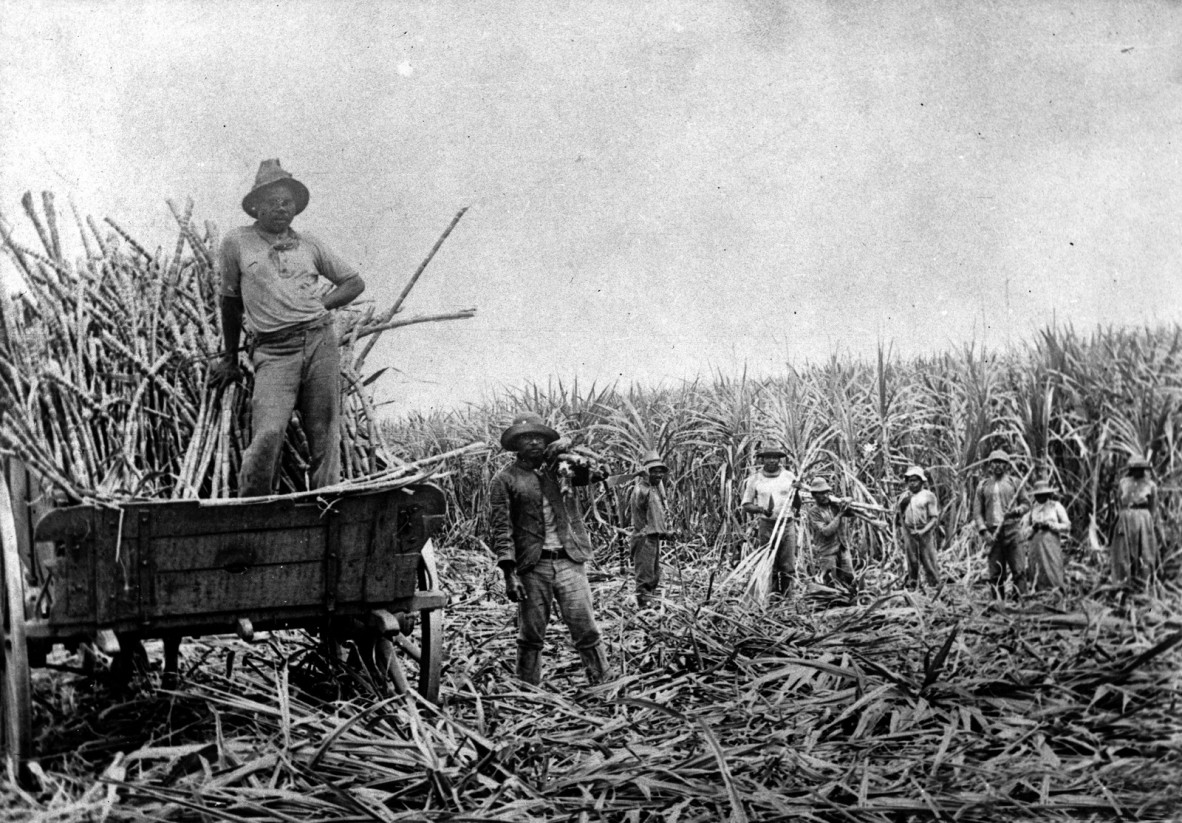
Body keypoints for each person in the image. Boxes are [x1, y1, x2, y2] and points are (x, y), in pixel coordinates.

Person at [210, 159, 366, 496]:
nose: (281, 209)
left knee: (324, 432)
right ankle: (253, 512)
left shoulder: (309, 243)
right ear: (255, 206)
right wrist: (230, 359)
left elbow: (353, 282)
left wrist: (319, 306)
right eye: (272, 202)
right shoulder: (237, 242)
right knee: (267, 434)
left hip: (319, 341)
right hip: (273, 349)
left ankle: (326, 507)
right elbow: (230, 302)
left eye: (287, 202)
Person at [488, 413, 613, 686]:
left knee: (586, 627)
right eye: (526, 438)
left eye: (538, 438)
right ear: (516, 445)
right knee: (530, 634)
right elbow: (502, 529)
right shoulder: (505, 479)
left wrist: (570, 449)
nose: (533, 443)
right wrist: (510, 574)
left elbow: (601, 472)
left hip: (570, 560)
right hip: (533, 566)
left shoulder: (561, 469)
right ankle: (527, 690)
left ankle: (603, 684)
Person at [740, 446, 802, 596]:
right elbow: (746, 505)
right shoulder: (755, 479)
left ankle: (787, 597)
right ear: (762, 459)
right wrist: (761, 510)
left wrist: (797, 491)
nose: (772, 460)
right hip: (767, 525)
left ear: (779, 459)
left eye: (775, 457)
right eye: (769, 457)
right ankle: (770, 596)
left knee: (787, 564)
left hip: (786, 524)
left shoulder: (788, 476)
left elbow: (797, 504)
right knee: (769, 562)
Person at [973, 449, 1031, 597]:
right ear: (990, 465)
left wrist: (1016, 511)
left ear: (1007, 466)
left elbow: (1026, 503)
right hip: (993, 533)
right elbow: (977, 512)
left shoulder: (1015, 482)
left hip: (1013, 531)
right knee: (995, 573)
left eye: (1001, 463)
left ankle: (1021, 602)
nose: (998, 465)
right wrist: (984, 531)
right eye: (995, 462)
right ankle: (998, 604)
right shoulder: (983, 486)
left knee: (1019, 570)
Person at [628, 450, 673, 609]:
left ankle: (650, 602)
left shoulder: (655, 490)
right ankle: (644, 604)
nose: (659, 475)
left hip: (653, 538)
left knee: (654, 574)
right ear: (647, 472)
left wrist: (666, 532)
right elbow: (641, 498)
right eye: (655, 471)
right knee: (645, 574)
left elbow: (656, 516)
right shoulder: (642, 489)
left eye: (661, 471)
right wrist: (644, 478)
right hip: (643, 538)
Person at [1109, 455, 1159, 592]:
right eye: (1135, 469)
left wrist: (1146, 522)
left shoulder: (1151, 485)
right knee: (1123, 553)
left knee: (1145, 553)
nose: (1138, 472)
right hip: (1125, 518)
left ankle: (1144, 587)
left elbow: (1153, 507)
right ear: (1131, 469)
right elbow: (1119, 502)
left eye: (1141, 469)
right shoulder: (1123, 483)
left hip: (1144, 519)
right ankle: (1123, 587)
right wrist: (1124, 516)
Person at [804, 477, 857, 590]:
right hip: (827, 551)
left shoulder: (834, 505)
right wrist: (840, 515)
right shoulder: (814, 512)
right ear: (814, 495)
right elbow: (827, 531)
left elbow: (853, 513)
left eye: (826, 492)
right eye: (820, 493)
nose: (824, 496)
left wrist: (849, 499)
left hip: (842, 548)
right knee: (830, 582)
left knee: (849, 578)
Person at [895, 466, 941, 589]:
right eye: (910, 480)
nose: (912, 483)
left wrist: (923, 531)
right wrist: (903, 533)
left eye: (915, 480)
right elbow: (899, 516)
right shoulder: (904, 497)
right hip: (909, 531)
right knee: (912, 561)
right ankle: (913, 584)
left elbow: (934, 518)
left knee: (928, 560)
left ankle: (934, 585)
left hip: (924, 531)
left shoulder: (929, 496)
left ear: (922, 481)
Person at [1022, 479, 1069, 592]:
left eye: (1043, 495)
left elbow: (1067, 525)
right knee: (1037, 567)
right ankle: (1039, 592)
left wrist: (1052, 525)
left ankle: (1057, 591)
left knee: (1053, 565)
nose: (1040, 497)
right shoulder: (1032, 509)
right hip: (1035, 543)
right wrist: (1033, 528)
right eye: (1038, 495)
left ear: (1048, 494)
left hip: (1051, 542)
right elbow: (1023, 532)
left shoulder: (1056, 506)